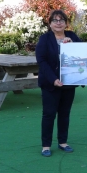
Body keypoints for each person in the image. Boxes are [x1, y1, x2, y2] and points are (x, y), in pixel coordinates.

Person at [35, 9, 82, 157]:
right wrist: (53, 79)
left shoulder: (72, 36)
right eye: (55, 20)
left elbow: (83, 51)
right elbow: (41, 61)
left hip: (69, 83)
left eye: (61, 20)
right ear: (50, 23)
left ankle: (63, 142)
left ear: (66, 23)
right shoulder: (45, 39)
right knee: (49, 114)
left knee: (64, 114)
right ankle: (46, 146)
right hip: (50, 83)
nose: (58, 23)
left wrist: (72, 44)